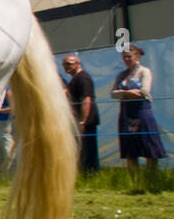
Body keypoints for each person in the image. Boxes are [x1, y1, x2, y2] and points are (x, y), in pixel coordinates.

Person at [110, 46, 167, 185]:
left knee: (150, 148)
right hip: (126, 114)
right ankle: (134, 182)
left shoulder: (144, 71)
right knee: (130, 151)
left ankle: (150, 180)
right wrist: (129, 92)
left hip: (142, 113)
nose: (127, 59)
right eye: (124, 57)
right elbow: (112, 93)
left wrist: (122, 92)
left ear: (137, 56)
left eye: (129, 56)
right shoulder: (121, 75)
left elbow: (144, 92)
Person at [62, 55, 100, 175]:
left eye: (69, 63)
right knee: (80, 150)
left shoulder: (83, 78)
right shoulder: (74, 79)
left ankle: (90, 175)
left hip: (86, 121)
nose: (66, 66)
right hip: (78, 120)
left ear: (78, 63)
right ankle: (83, 174)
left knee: (87, 151)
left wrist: (83, 121)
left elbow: (86, 100)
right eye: (64, 64)